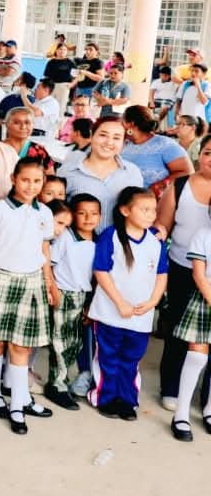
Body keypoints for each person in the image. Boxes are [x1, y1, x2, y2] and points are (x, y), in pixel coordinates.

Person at [0, 157, 57, 435]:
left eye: (37, 181)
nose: (31, 186)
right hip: (0, 279)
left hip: (31, 281)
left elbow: (44, 251)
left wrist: (49, 284)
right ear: (13, 179)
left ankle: (19, 404)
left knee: (21, 346)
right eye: (25, 180)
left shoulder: (44, 213)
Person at [86, 186, 166, 420]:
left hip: (141, 315)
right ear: (124, 210)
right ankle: (105, 397)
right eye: (144, 209)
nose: (151, 215)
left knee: (131, 359)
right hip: (111, 312)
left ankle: (127, 400)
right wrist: (120, 303)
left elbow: (162, 274)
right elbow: (101, 271)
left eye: (153, 210)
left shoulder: (155, 242)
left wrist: (153, 301)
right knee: (108, 357)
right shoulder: (110, 236)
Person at [42, 193, 101, 410]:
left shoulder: (99, 240)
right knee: (60, 342)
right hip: (63, 293)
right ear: (73, 215)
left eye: (94, 214)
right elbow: (50, 263)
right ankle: (57, 385)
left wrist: (90, 304)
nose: (88, 218)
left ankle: (64, 380)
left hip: (83, 296)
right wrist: (53, 289)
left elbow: (97, 276)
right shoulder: (67, 236)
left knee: (75, 343)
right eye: (82, 213)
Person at [171, 210, 211, 440]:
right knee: (197, 357)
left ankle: (209, 411)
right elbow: (198, 273)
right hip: (205, 297)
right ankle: (181, 414)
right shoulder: (203, 234)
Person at [60, 116, 144, 218]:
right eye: (103, 135)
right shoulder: (68, 171)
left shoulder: (132, 172)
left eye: (116, 138)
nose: (109, 142)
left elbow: (138, 212)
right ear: (92, 135)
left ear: (124, 143)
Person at [121, 104, 191, 194]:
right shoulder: (124, 144)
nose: (120, 125)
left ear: (131, 124)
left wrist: (155, 188)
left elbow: (186, 171)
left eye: (122, 122)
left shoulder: (164, 144)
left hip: (154, 202)